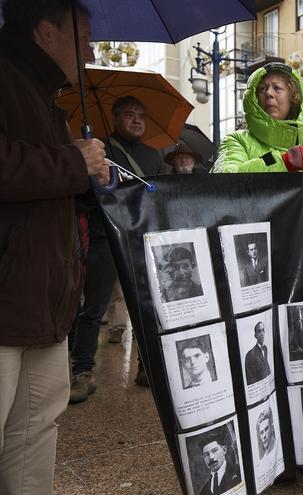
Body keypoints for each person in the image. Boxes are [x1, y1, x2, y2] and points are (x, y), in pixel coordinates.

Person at [0, 1, 110, 490]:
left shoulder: (45, 97)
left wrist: (88, 176)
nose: (90, 53)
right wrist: (71, 163)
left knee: (33, 434)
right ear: (46, 31)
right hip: (8, 299)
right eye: (84, 38)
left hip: (44, 300)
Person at [70, 94, 163, 403]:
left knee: (147, 307)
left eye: (141, 115)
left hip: (141, 237)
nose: (136, 120)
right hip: (105, 236)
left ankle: (146, 367)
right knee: (94, 308)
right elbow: (82, 196)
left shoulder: (153, 155)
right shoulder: (99, 149)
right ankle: (82, 371)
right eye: (128, 114)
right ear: (114, 118)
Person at [212, 63, 303, 176]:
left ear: (293, 98)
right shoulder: (237, 141)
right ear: (254, 99)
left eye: (277, 88)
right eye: (262, 89)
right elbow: (225, 180)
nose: (269, 93)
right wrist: (282, 161)